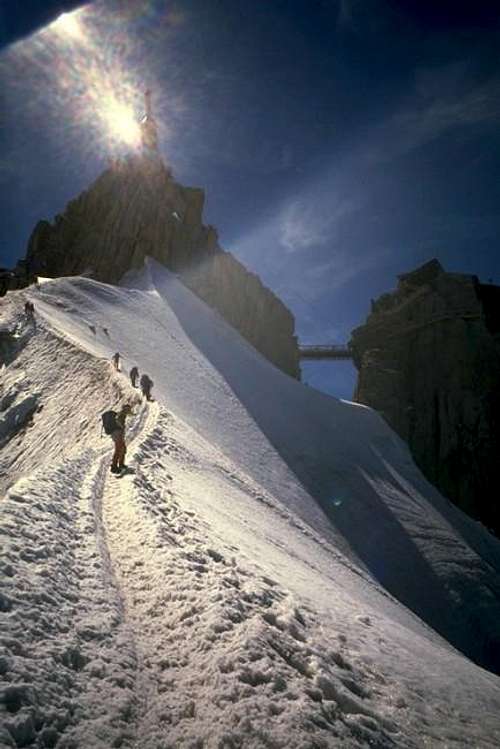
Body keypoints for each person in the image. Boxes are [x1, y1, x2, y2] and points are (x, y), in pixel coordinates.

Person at [110, 404, 132, 474]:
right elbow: (117, 421)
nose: (129, 411)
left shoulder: (122, 413)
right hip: (118, 435)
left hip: (118, 435)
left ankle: (121, 464)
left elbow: (130, 414)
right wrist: (121, 427)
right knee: (118, 450)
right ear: (125, 409)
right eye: (128, 409)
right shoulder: (121, 414)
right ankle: (114, 467)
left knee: (123, 449)